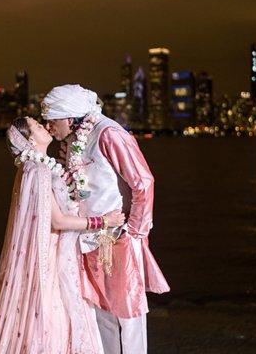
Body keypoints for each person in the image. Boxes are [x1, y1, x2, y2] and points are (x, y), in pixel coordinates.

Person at [0, 116, 124, 354]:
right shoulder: (39, 171)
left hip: (54, 252)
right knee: (53, 314)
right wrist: (103, 221)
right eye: (37, 126)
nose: (45, 127)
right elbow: (58, 220)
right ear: (30, 139)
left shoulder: (37, 167)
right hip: (51, 259)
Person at [42, 84, 170, 354]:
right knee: (101, 312)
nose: (49, 127)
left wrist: (135, 232)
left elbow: (143, 182)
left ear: (68, 116)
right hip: (90, 238)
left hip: (119, 236)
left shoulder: (108, 133)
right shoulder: (76, 140)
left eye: (51, 120)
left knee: (129, 313)